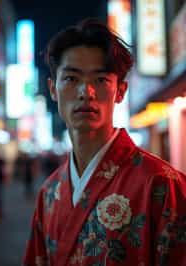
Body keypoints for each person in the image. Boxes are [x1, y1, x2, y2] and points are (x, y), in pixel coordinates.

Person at [23, 18, 186, 266]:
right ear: (53, 89)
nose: (85, 92)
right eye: (71, 79)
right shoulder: (49, 192)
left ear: (120, 90)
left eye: (100, 80)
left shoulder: (162, 184)